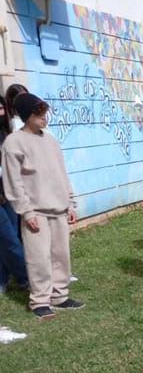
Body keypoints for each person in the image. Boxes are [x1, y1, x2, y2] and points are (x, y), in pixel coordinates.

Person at [0, 94, 83, 318]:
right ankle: (39, 301)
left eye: (44, 114)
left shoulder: (50, 140)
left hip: (58, 208)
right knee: (39, 258)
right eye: (38, 115)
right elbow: (13, 181)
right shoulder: (13, 143)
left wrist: (70, 203)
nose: (44, 119)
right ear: (27, 116)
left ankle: (60, 296)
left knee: (61, 255)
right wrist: (25, 211)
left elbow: (61, 174)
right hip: (35, 210)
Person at [0, 93, 29, 295]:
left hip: (8, 192)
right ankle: (27, 278)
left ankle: (5, 279)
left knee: (9, 238)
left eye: (1, 108)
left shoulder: (8, 133)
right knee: (9, 239)